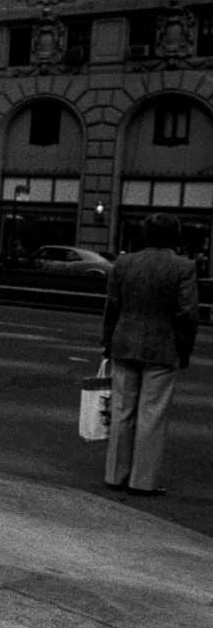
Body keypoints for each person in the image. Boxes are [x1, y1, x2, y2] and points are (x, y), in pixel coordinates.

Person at [101, 212, 200, 497]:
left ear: (146, 234)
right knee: (152, 415)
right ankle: (142, 481)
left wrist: (108, 341)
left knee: (122, 410)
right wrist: (184, 349)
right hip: (163, 347)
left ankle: (115, 474)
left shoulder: (124, 263)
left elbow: (112, 307)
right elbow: (187, 314)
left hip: (125, 342)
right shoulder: (183, 267)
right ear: (175, 237)